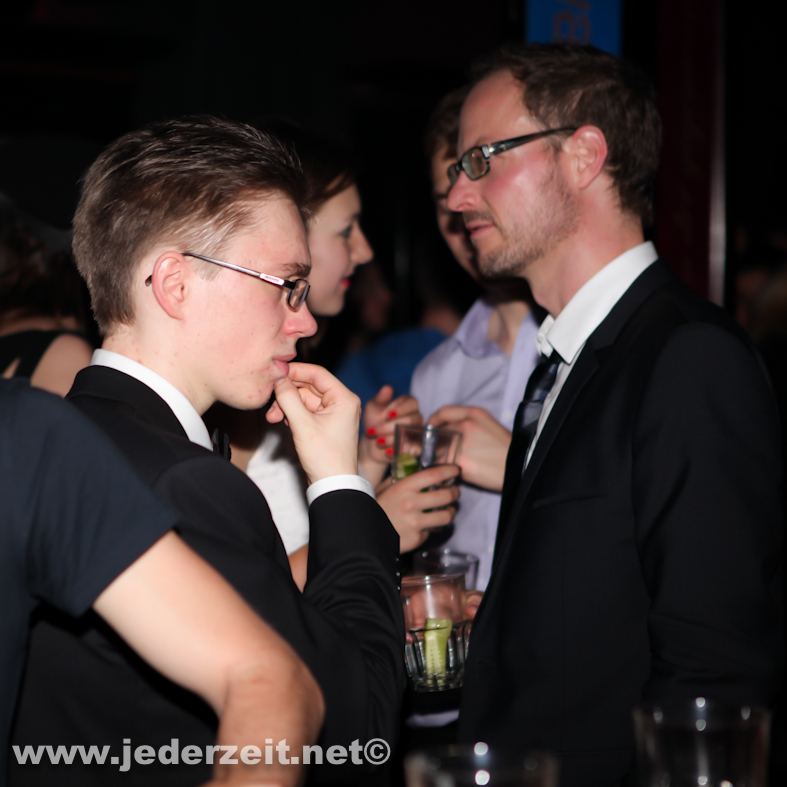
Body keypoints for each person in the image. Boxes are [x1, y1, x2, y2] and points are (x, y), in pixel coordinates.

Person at [11, 116, 404, 787]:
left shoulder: (68, 440)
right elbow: (357, 730)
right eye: (286, 285)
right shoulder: (184, 480)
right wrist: (340, 482)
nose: (305, 320)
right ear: (176, 284)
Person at [445, 43, 783, 786]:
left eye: (481, 160)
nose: (458, 195)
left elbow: (711, 675)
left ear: (583, 156)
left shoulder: (687, 357)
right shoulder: (566, 358)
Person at [1, 379, 322, 787]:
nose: (299, 337)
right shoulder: (176, 469)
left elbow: (268, 674)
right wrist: (345, 491)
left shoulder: (21, 431)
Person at [410, 85, 541, 593]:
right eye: (443, 201)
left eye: (479, 185)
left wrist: (518, 466)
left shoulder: (585, 349)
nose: (461, 214)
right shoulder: (437, 373)